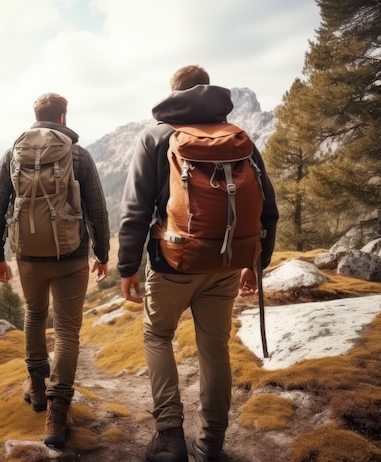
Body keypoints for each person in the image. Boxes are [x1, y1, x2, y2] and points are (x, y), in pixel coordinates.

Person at [117, 65, 278, 462]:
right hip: (227, 264)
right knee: (214, 348)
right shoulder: (239, 138)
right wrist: (255, 265)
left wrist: (127, 268)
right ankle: (212, 443)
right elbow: (268, 210)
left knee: (158, 337)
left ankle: (170, 438)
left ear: (174, 95)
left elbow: (135, 211)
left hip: (173, 262)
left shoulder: (156, 136)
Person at [0, 92, 110, 448]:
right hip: (72, 254)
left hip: (27, 255)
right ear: (63, 117)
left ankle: (37, 386)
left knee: (35, 314)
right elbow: (97, 208)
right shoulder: (78, 154)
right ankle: (57, 411)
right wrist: (102, 252)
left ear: (35, 115)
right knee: (68, 330)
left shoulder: (13, 154)